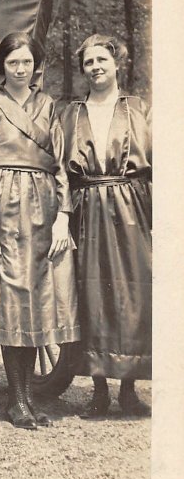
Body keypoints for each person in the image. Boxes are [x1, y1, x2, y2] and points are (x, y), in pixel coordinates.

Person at [0, 32, 80, 430]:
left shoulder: (48, 104)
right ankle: (16, 400)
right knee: (12, 297)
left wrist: (63, 214)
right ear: (2, 64)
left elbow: (61, 163)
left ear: (36, 66)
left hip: (43, 203)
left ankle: (27, 398)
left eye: (27, 62)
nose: (20, 69)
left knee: (38, 297)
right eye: (13, 62)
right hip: (1, 204)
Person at [61, 33, 152, 418]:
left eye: (102, 60)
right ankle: (98, 389)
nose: (96, 67)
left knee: (132, 292)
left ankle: (128, 388)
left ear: (117, 64)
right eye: (88, 62)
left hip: (131, 206)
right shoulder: (71, 113)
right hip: (86, 207)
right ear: (82, 69)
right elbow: (60, 172)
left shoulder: (138, 108)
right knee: (92, 293)